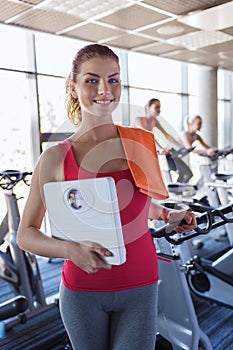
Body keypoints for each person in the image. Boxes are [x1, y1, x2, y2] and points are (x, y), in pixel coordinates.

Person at [17, 44, 197, 350]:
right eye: (91, 80)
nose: (105, 89)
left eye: (113, 79)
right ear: (73, 88)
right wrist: (69, 249)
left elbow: (134, 203)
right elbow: (26, 235)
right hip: (83, 291)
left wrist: (167, 215)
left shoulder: (140, 144)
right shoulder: (55, 158)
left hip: (140, 283)